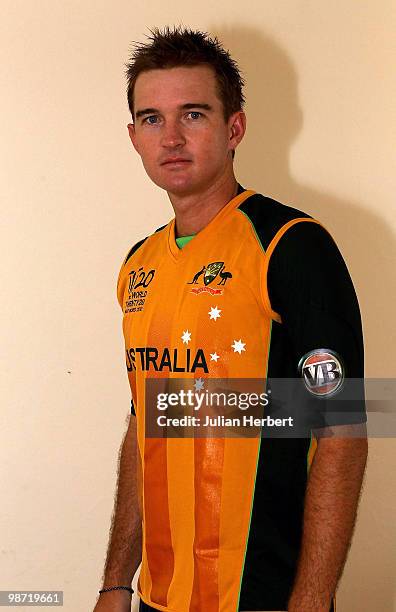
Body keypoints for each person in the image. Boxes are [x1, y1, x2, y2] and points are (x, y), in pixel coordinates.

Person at [93, 27, 368, 612]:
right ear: (132, 137)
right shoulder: (137, 267)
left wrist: (313, 601)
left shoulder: (290, 246)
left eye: (193, 114)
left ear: (233, 127)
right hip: (156, 599)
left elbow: (342, 429)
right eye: (151, 119)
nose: (170, 137)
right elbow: (147, 424)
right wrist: (117, 581)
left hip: (261, 596)